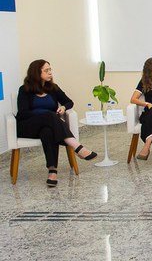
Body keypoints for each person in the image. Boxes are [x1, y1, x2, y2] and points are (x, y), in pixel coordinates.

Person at [15, 59, 96, 187]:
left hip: (48, 125)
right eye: (46, 70)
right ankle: (77, 146)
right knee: (49, 115)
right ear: (36, 72)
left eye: (50, 69)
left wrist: (63, 107)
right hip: (27, 126)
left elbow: (69, 102)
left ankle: (52, 171)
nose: (50, 72)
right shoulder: (24, 89)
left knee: (47, 131)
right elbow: (23, 113)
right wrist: (45, 115)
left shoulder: (53, 88)